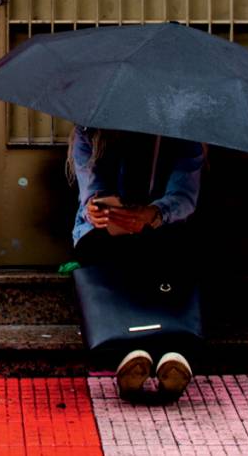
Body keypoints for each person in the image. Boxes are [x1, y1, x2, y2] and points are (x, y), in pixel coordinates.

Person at [67, 125, 205, 402]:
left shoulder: (182, 131)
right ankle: (130, 355)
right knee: (110, 249)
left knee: (170, 249)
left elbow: (184, 196)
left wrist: (153, 213)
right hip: (105, 235)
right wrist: (96, 209)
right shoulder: (87, 131)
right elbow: (90, 191)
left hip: (160, 228)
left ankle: (168, 355)